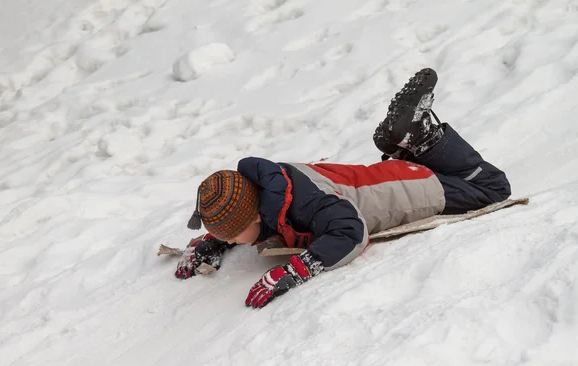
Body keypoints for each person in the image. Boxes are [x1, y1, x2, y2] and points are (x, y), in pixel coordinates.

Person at [174, 68, 511, 309]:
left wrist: (298, 269)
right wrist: (213, 239)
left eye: (233, 234)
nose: (232, 241)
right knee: (436, 172)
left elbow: (351, 232)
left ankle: (424, 138)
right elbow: (240, 212)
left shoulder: (305, 204)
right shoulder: (272, 189)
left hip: (412, 190)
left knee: (493, 187)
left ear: (253, 217)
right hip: (385, 175)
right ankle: (407, 142)